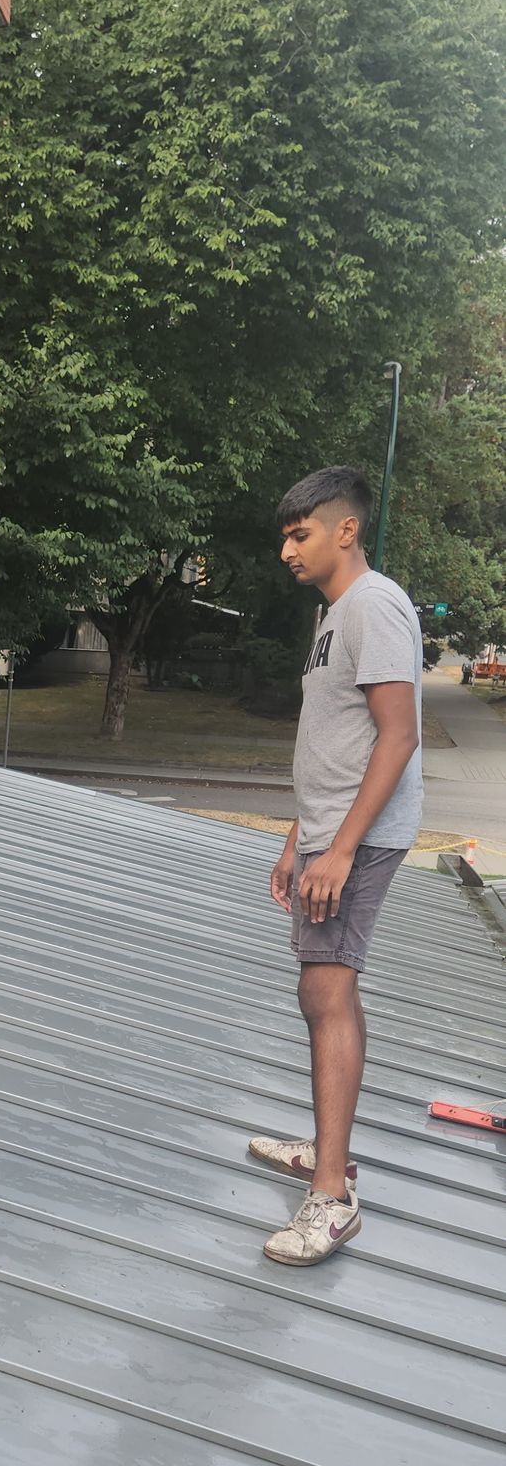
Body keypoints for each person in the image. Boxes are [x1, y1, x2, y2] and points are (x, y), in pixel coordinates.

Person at [249, 465, 422, 1266]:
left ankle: (331, 1195)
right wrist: (299, 838)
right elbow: (336, 743)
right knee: (320, 994)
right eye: (286, 536)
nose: (288, 549)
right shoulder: (333, 617)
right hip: (328, 832)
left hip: (360, 839)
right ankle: (328, 1152)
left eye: (301, 533)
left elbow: (398, 736)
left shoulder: (374, 605)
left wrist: (342, 847)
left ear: (345, 529)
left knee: (327, 989)